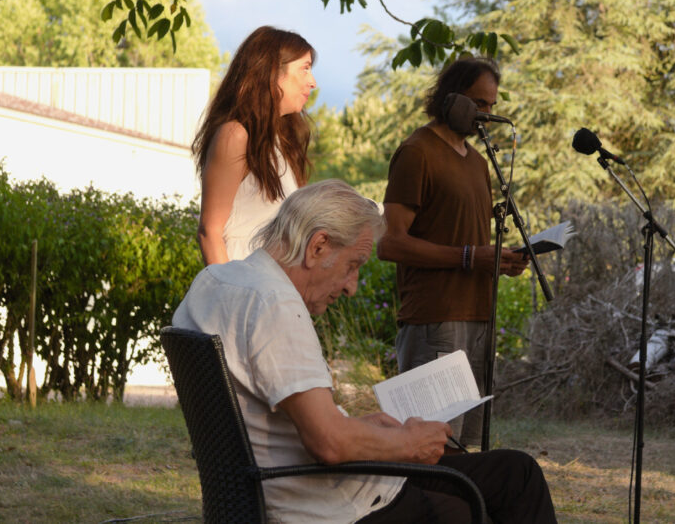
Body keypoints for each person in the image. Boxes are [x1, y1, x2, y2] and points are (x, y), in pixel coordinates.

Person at [172, 179, 557, 523]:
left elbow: (291, 422)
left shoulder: (213, 282)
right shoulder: (275, 304)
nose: (352, 286)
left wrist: (365, 426)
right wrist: (410, 443)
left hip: (270, 490)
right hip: (328, 503)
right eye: (353, 265)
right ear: (318, 245)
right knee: (479, 497)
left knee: (514, 473)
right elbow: (329, 442)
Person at [377, 57, 528, 445]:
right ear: (449, 98)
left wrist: (499, 260)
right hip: (437, 321)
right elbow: (390, 242)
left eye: (492, 106)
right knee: (433, 446)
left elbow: (468, 240)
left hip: (479, 317)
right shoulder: (417, 151)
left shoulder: (478, 163)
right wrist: (468, 257)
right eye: (478, 104)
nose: (486, 115)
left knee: (466, 447)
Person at [192, 26, 317, 265]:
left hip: (273, 288)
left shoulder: (279, 143)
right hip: (244, 286)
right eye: (305, 69)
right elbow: (209, 232)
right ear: (273, 72)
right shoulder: (235, 135)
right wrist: (231, 294)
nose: (312, 82)